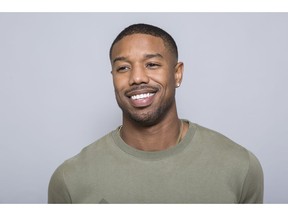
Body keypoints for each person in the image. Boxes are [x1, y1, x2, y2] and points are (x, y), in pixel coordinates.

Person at [48, 23, 264, 203]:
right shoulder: (70, 180)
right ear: (112, 76)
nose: (137, 78)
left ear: (177, 74)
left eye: (151, 64)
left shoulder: (239, 167)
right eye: (123, 68)